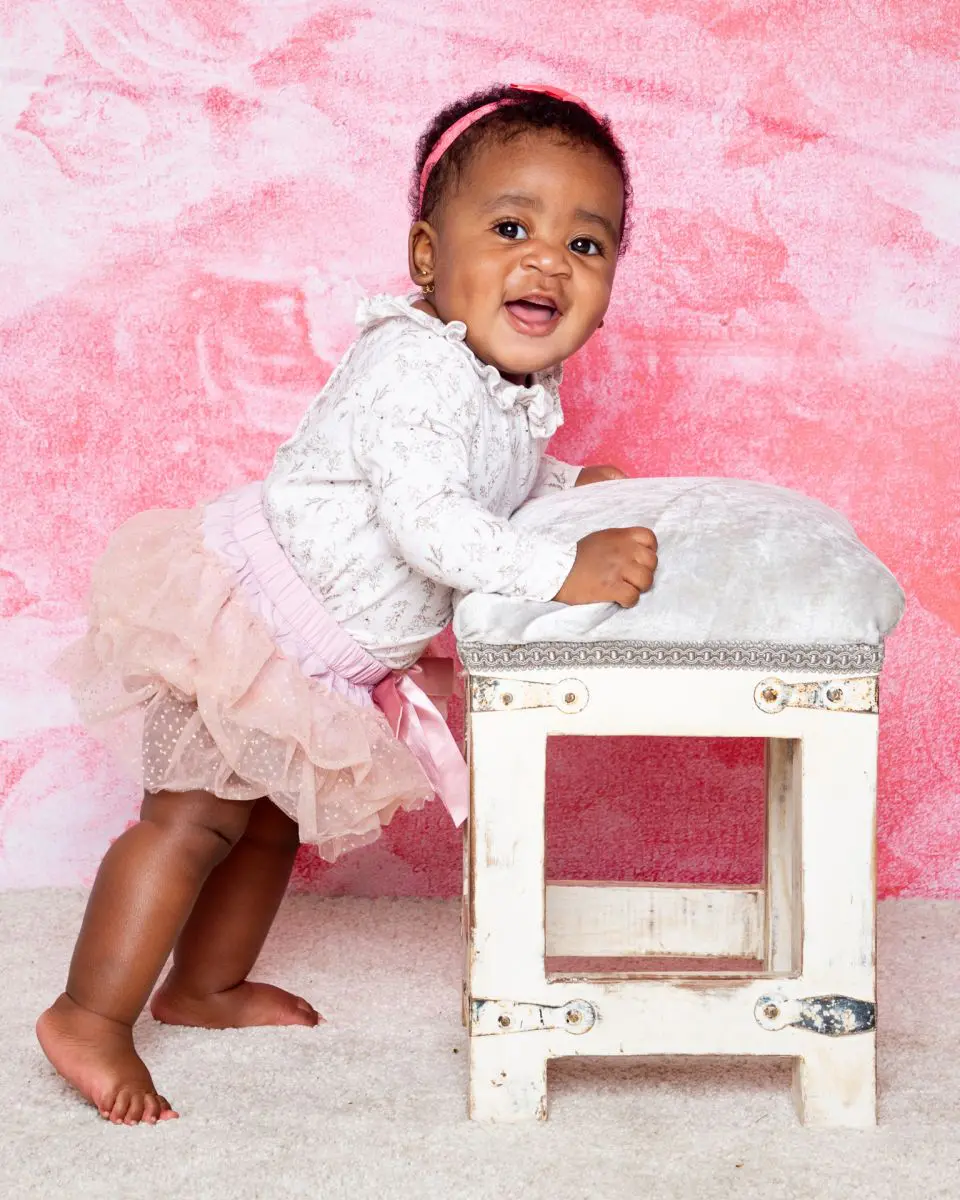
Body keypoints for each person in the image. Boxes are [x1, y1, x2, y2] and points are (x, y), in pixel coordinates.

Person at [37, 83, 659, 1125]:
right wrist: (562, 569)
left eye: (586, 246)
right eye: (511, 227)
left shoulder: (506, 391)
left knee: (270, 831)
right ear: (426, 258)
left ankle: (202, 987)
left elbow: (483, 487)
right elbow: (430, 520)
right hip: (249, 623)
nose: (548, 257)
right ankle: (88, 1016)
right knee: (190, 823)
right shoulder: (414, 366)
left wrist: (566, 487)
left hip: (321, 660)